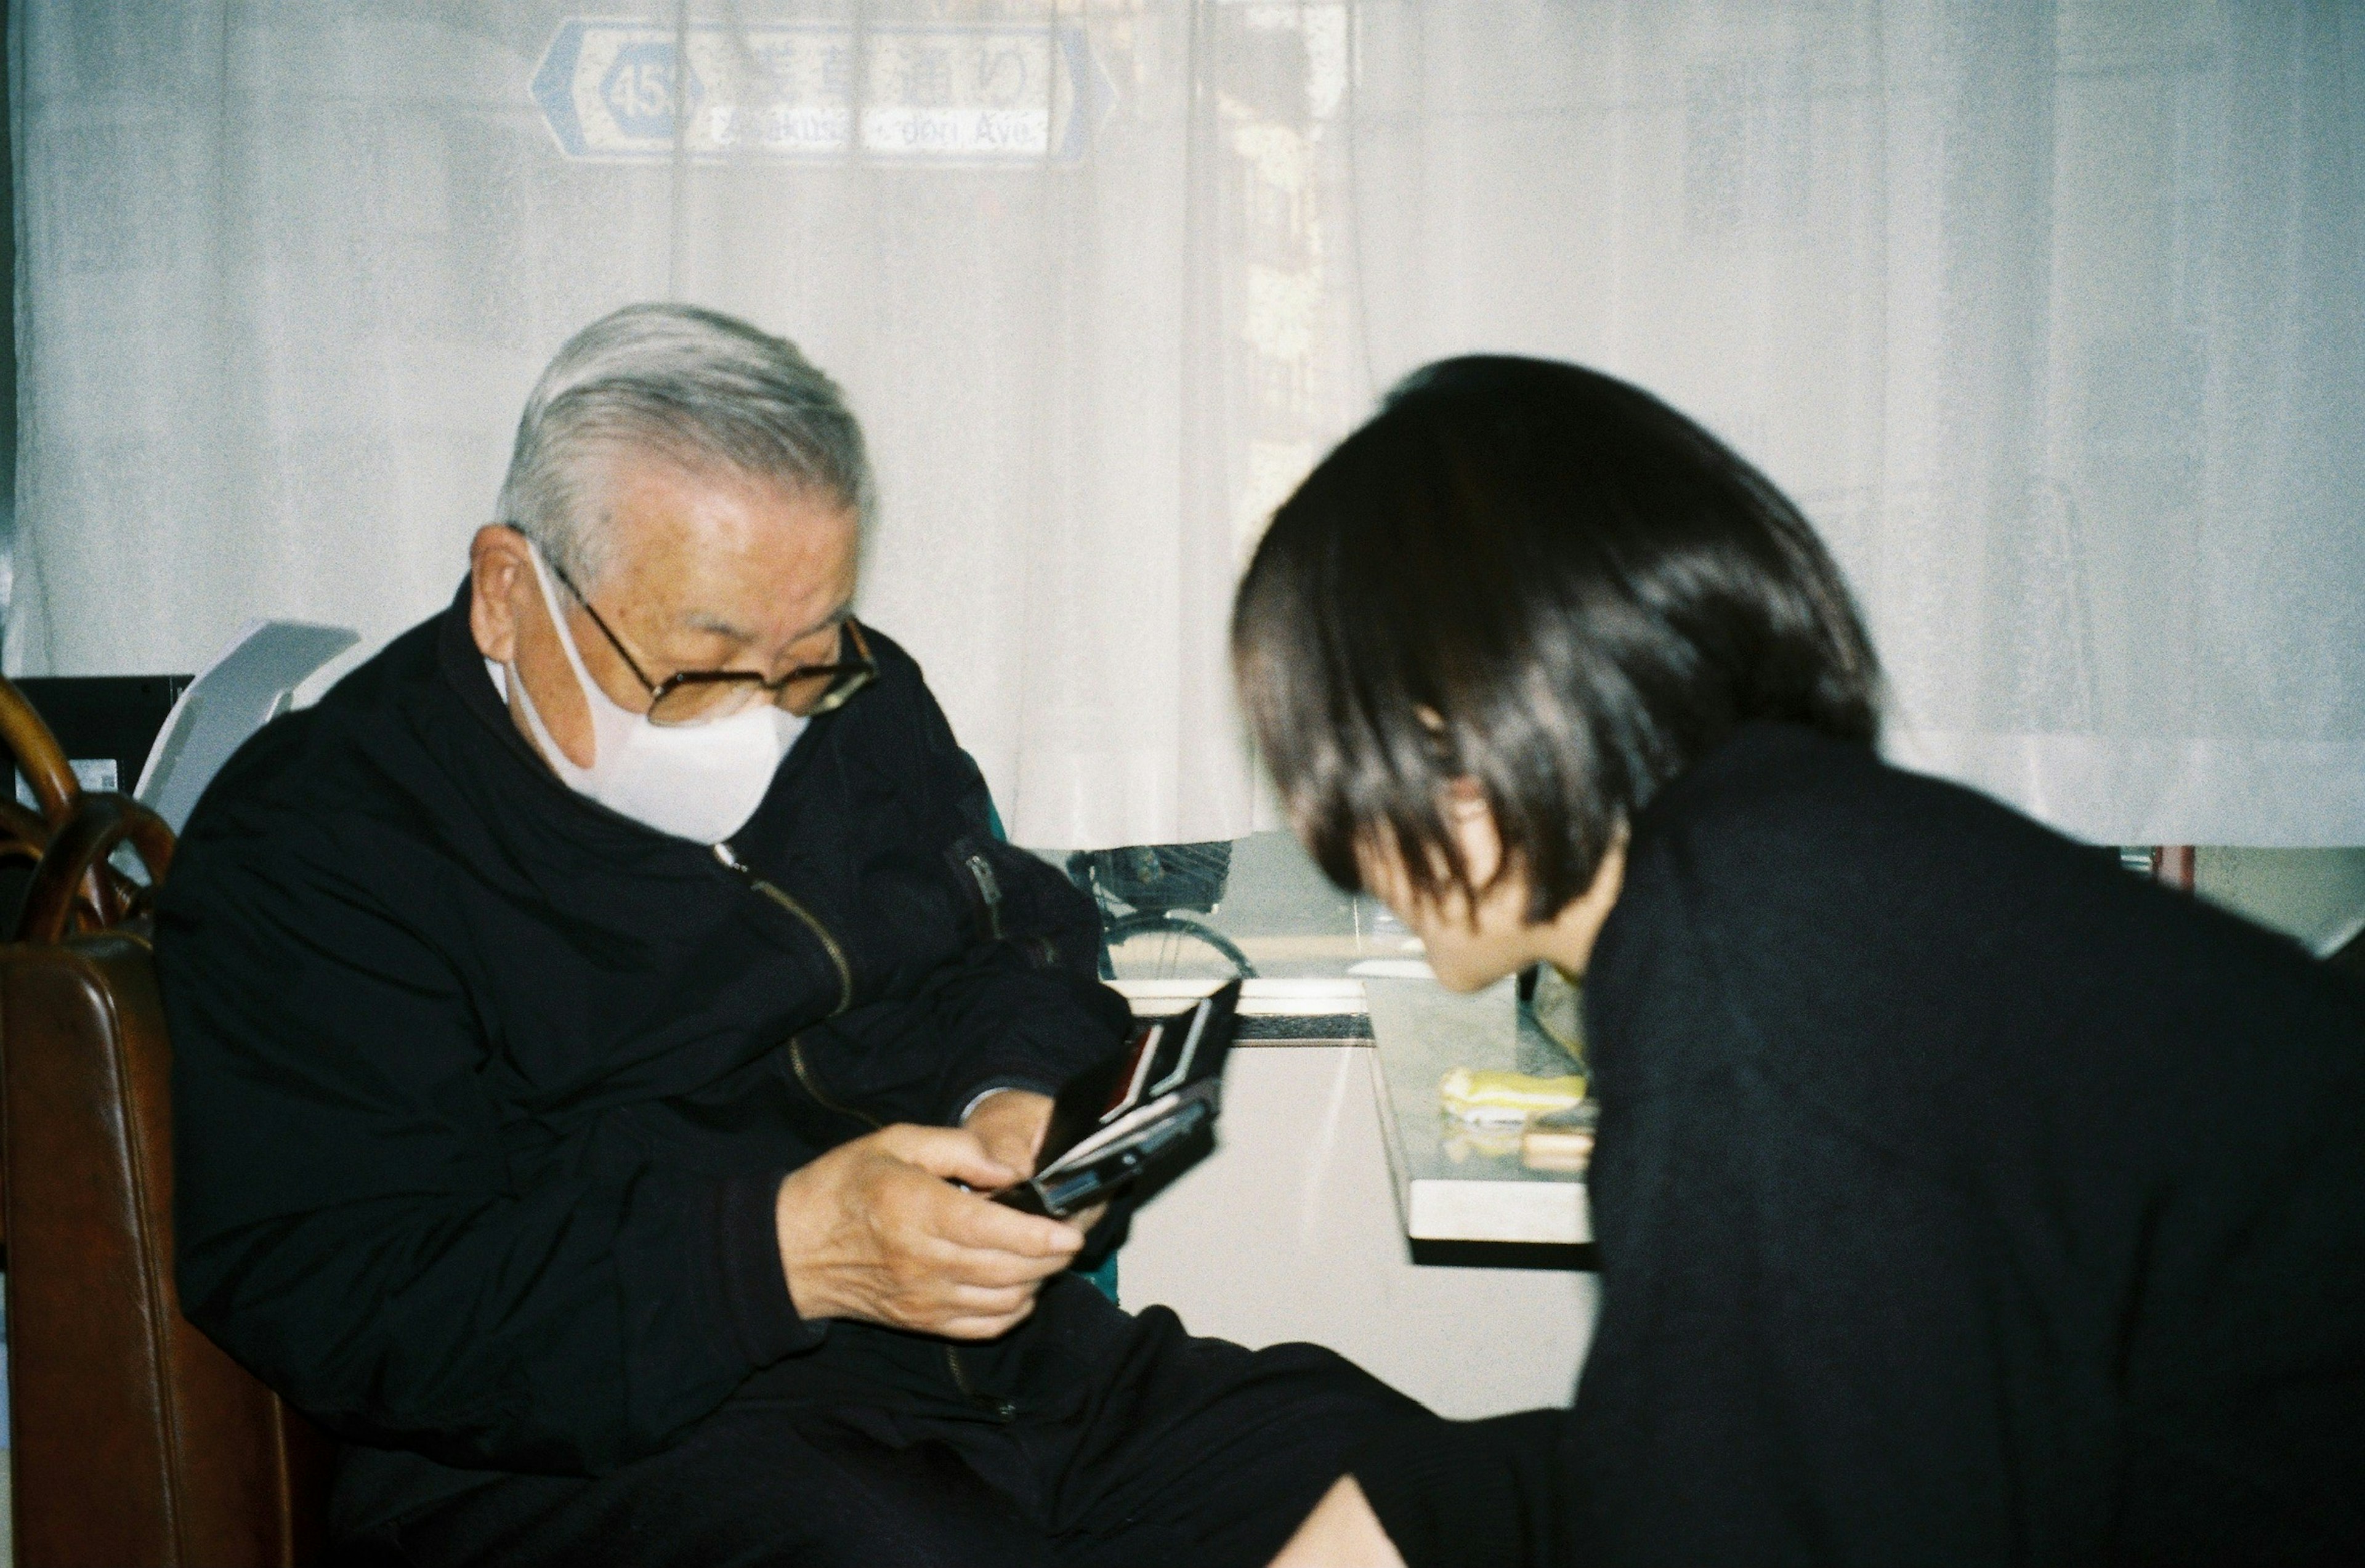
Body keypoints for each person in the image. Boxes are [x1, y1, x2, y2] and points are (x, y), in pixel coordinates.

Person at [158, 302, 1419, 1568]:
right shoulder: (319, 842)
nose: (764, 718)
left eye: (806, 658)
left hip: (996, 1379)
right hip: (593, 1450)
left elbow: (1015, 938)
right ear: (507, 589)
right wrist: (784, 1255)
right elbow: (357, 1287)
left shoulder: (864, 704)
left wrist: (1018, 1098)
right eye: (700, 668)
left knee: (1408, 1493)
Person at [1237, 357, 2365, 1567]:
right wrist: (1424, 1506)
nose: (1341, 842)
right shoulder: (1793, 856)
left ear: (1458, 736)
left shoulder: (1743, 984)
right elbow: (1758, 1440)